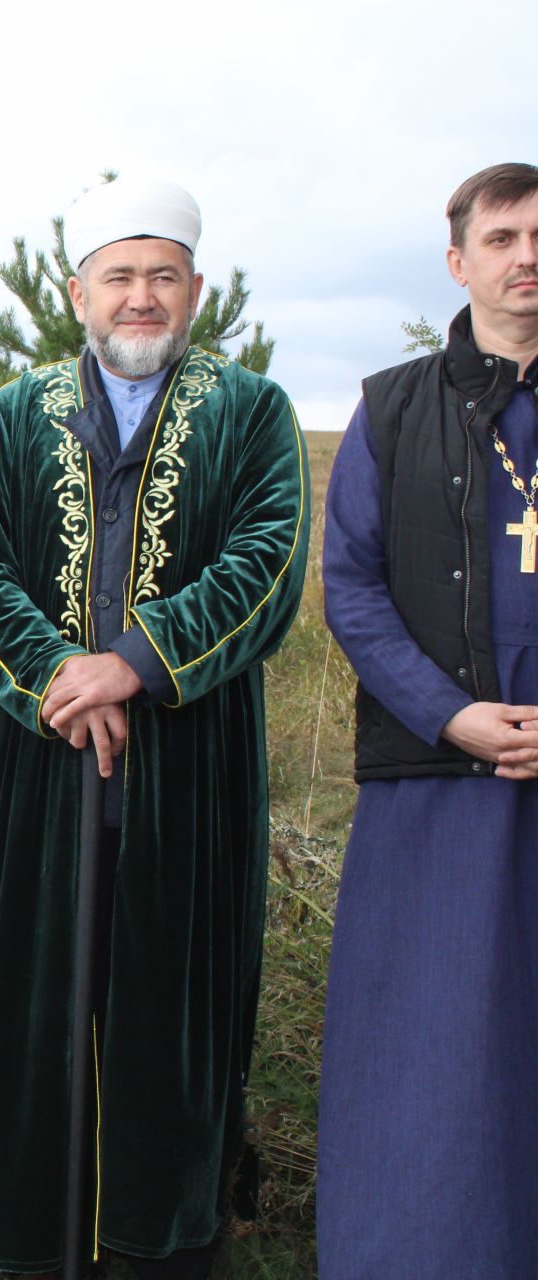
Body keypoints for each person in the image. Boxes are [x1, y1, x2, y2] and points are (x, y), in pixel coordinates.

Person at [0, 178, 310, 1278]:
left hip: (186, 763)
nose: (141, 297)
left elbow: (268, 560)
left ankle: (159, 1242)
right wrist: (60, 675)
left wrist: (136, 664)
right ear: (78, 292)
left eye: (162, 277)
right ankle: (29, 1241)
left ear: (194, 289)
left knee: (169, 1007)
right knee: (36, 1002)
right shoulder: (16, 415)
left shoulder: (252, 412)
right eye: (120, 276)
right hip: (42, 760)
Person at [316, 162, 538, 1279]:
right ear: (459, 262)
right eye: (501, 237)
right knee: (436, 1042)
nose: (526, 256)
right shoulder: (393, 406)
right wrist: (450, 715)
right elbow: (349, 582)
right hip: (438, 772)